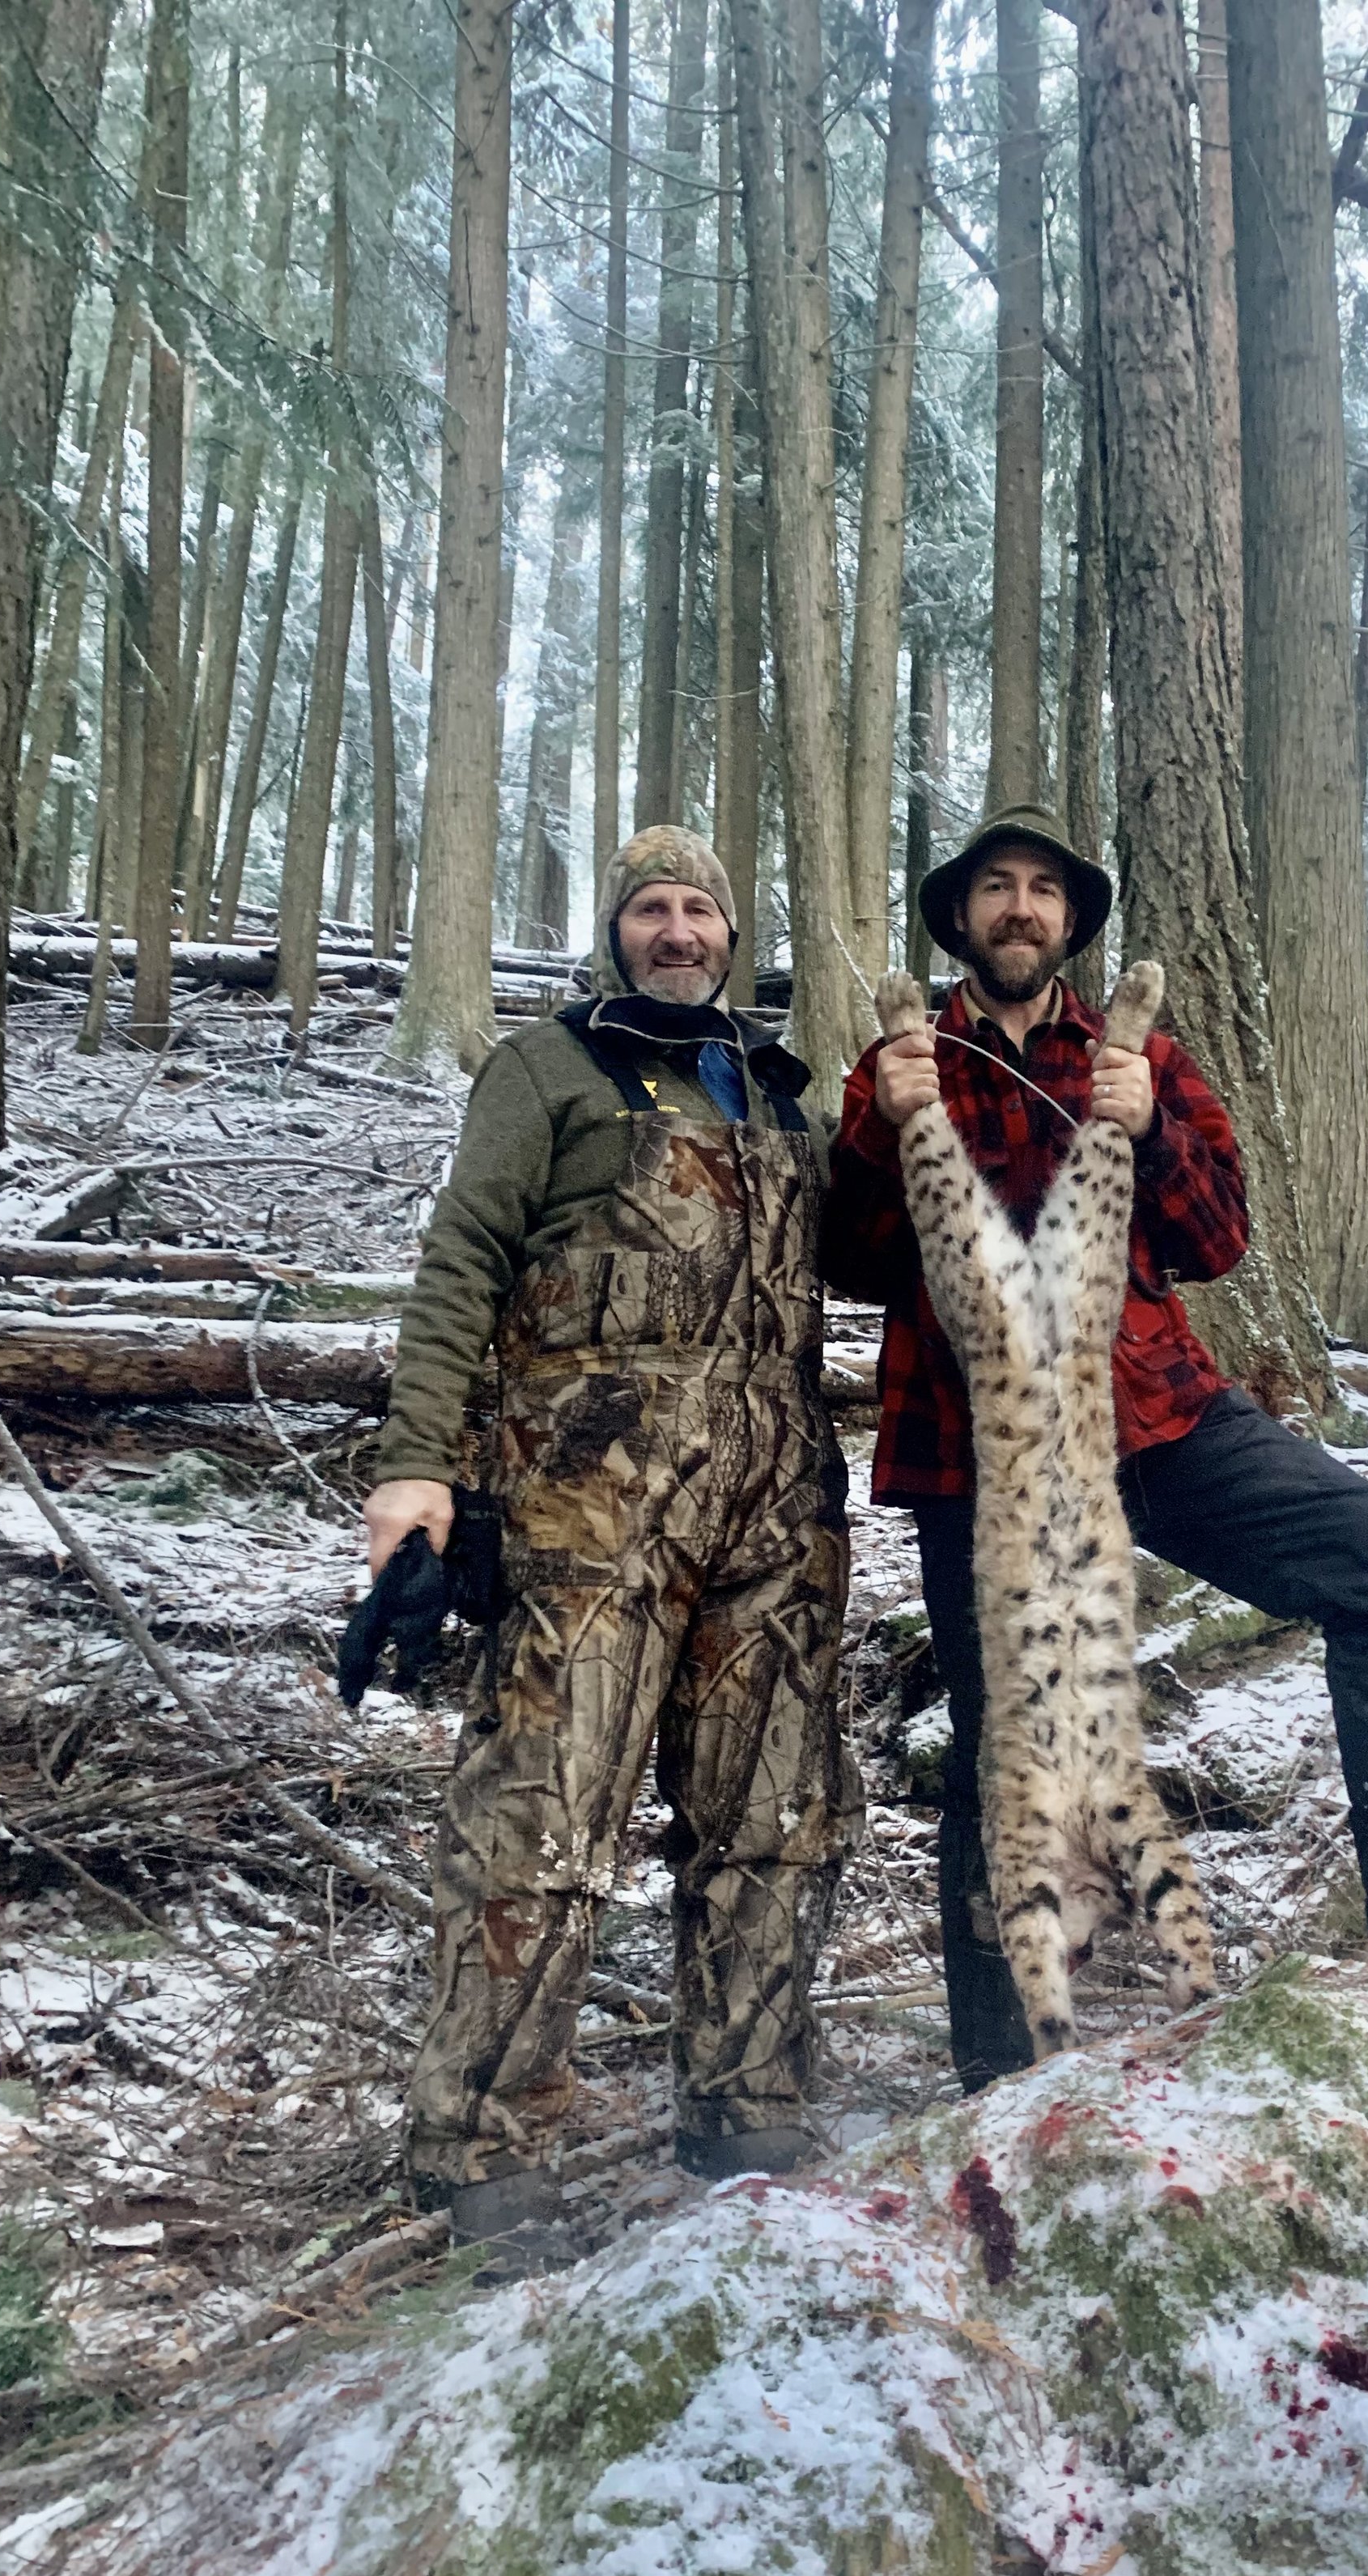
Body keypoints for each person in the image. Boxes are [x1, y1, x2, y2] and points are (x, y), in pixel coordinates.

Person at [822, 805, 1368, 2093]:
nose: (1020, 908)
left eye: (1044, 890)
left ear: (1071, 921)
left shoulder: (1141, 1057)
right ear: (959, 916)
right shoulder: (899, 1062)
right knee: (1000, 1738)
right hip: (981, 1451)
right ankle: (1003, 2067)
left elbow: (1221, 1235)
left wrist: (1152, 1130)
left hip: (1156, 1418)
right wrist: (875, 1132)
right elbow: (844, 1261)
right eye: (997, 887)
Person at [366, 825, 853, 2264]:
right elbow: (462, 1261)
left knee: (775, 1813)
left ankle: (751, 2112)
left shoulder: (781, 1093)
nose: (678, 929)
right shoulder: (546, 1071)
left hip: (776, 1507)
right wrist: (417, 1469)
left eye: (701, 907)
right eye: (652, 907)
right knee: (543, 1812)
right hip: (592, 1506)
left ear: (733, 935)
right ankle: (485, 2153)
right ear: (616, 930)